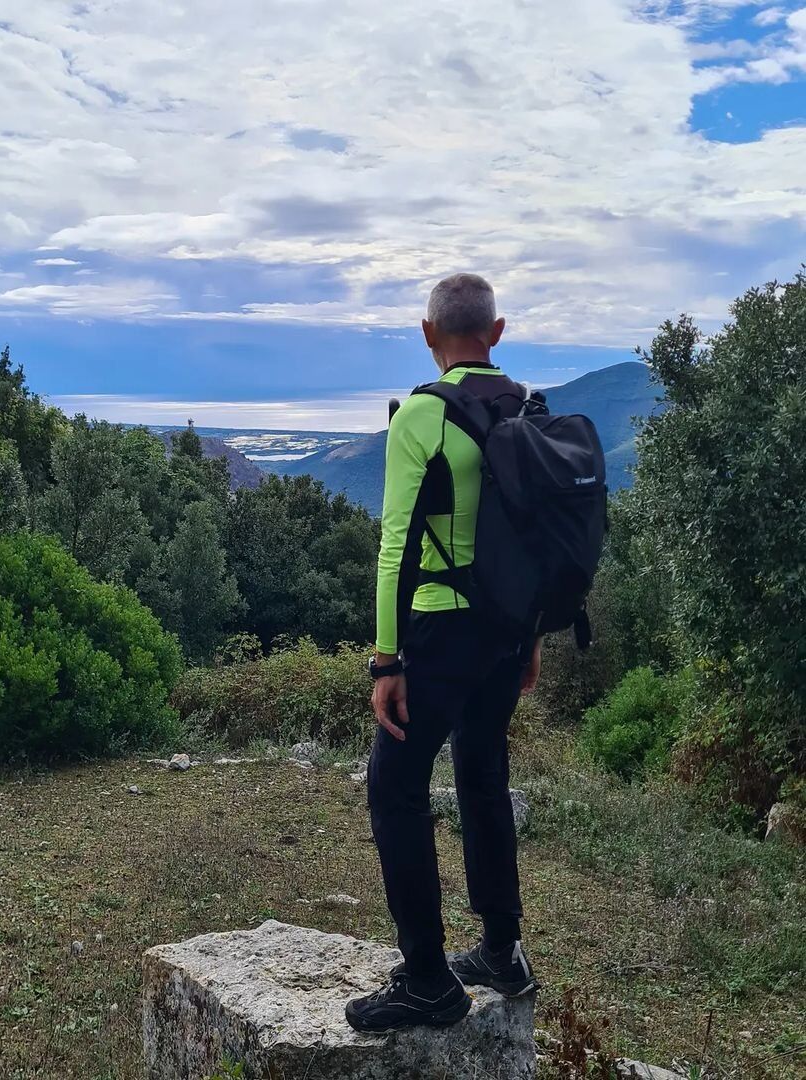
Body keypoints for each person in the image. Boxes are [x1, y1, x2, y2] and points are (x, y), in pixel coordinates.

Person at [346, 273, 541, 1033]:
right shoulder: (523, 407)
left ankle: (427, 978)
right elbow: (531, 539)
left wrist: (386, 662)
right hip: (504, 631)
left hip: (438, 630)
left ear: (429, 335)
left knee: (395, 787)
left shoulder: (423, 415)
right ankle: (501, 948)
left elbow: (395, 548)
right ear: (496, 333)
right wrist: (529, 641)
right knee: (483, 774)